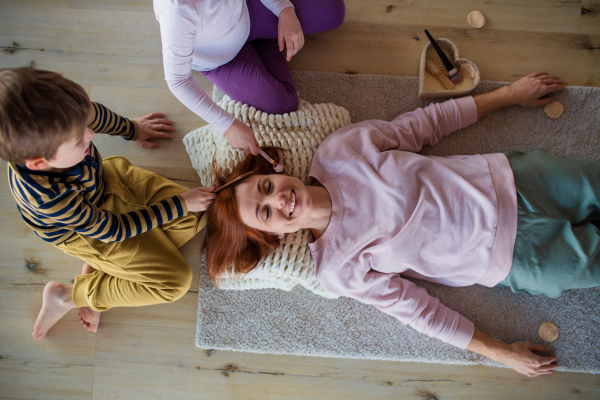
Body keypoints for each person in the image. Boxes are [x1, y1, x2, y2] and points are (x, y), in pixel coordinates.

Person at [203, 72, 600, 377]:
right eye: (266, 212)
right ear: (272, 236)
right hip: (515, 257)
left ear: (273, 171)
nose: (279, 198)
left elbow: (426, 124)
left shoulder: (340, 151)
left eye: (267, 187)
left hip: (515, 179)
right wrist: (499, 351)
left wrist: (509, 95)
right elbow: (419, 312)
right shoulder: (336, 270)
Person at [0, 67, 217, 340]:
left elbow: (96, 116)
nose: (89, 134)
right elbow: (112, 230)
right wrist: (180, 203)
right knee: (175, 282)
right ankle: (70, 295)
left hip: (106, 181)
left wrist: (133, 129)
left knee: (197, 216)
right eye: (79, 139)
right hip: (88, 231)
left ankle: (109, 267)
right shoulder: (49, 197)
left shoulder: (66, 113)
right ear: (41, 163)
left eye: (85, 124)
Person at [153, 0, 345, 156]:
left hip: (248, 11)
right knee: (282, 102)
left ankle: (267, 36)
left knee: (333, 11)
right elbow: (178, 80)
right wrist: (227, 125)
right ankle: (268, 38)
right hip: (223, 59)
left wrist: (285, 9)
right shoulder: (176, 9)